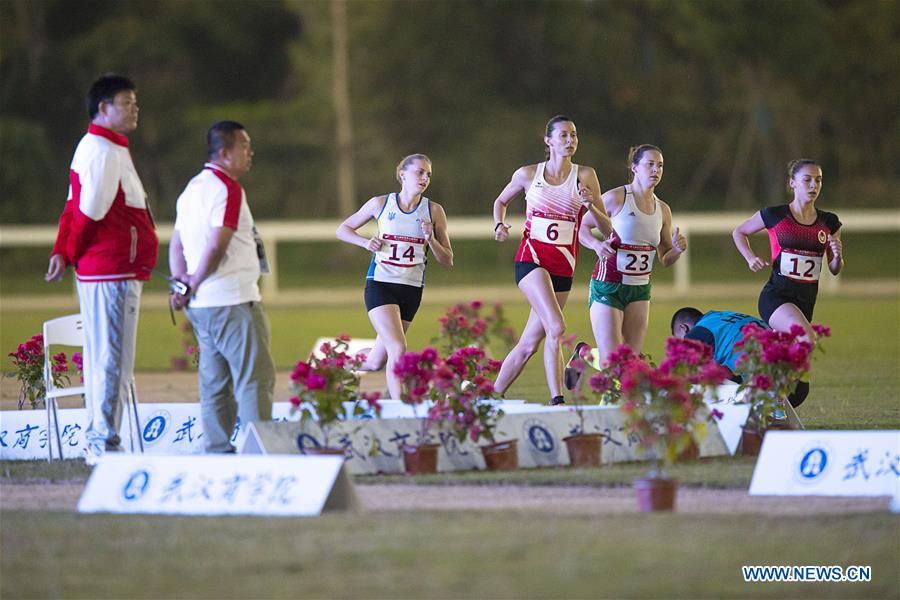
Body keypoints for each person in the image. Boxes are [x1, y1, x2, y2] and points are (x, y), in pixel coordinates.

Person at [45, 74, 158, 464]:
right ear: (103, 108)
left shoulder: (97, 146)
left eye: (135, 101)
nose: (134, 108)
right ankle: (103, 442)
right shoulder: (104, 150)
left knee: (100, 358)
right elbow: (89, 212)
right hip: (112, 271)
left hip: (104, 270)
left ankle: (97, 438)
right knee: (113, 361)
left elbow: (72, 208)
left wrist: (63, 251)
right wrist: (68, 252)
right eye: (127, 102)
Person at [168, 121, 275, 453]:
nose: (250, 152)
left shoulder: (191, 189)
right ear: (225, 153)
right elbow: (217, 245)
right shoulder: (227, 188)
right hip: (233, 300)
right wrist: (194, 281)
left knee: (215, 383)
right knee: (254, 379)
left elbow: (176, 244)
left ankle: (217, 450)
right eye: (245, 146)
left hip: (202, 306)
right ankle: (259, 452)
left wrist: (182, 285)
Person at [492, 115, 611, 405]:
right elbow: (501, 201)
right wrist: (499, 224)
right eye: (563, 135)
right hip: (531, 260)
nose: (570, 140)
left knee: (530, 343)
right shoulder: (528, 174)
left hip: (563, 269)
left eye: (574, 135)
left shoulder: (585, 176)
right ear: (548, 141)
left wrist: (591, 205)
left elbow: (607, 228)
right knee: (556, 327)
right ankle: (557, 399)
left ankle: (489, 396)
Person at [336, 154, 453, 400]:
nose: (425, 178)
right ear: (402, 174)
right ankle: (400, 406)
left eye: (428, 174)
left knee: (375, 361)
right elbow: (343, 229)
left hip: (411, 290)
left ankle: (333, 366)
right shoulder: (380, 204)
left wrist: (431, 239)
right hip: (381, 285)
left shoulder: (434, 211)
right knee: (398, 347)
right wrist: (365, 242)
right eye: (419, 172)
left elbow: (447, 261)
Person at [570, 144, 687, 382]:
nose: (656, 170)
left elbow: (665, 258)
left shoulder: (663, 210)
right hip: (608, 285)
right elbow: (582, 226)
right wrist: (596, 245)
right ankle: (583, 354)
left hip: (640, 290)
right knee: (613, 364)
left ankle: (587, 359)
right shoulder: (616, 198)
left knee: (629, 364)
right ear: (634, 167)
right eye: (650, 164)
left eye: (660, 165)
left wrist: (677, 249)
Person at [732, 159, 843, 343]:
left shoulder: (829, 222)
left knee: (786, 354)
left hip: (806, 302)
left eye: (818, 180)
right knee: (807, 339)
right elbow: (739, 232)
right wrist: (750, 258)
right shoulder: (775, 215)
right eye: (807, 179)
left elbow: (834, 269)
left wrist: (837, 257)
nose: (814, 185)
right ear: (792, 183)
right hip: (777, 296)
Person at [670, 307, 809, 408]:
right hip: (799, 385)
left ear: (683, 328)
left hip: (769, 385)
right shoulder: (721, 317)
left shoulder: (697, 333)